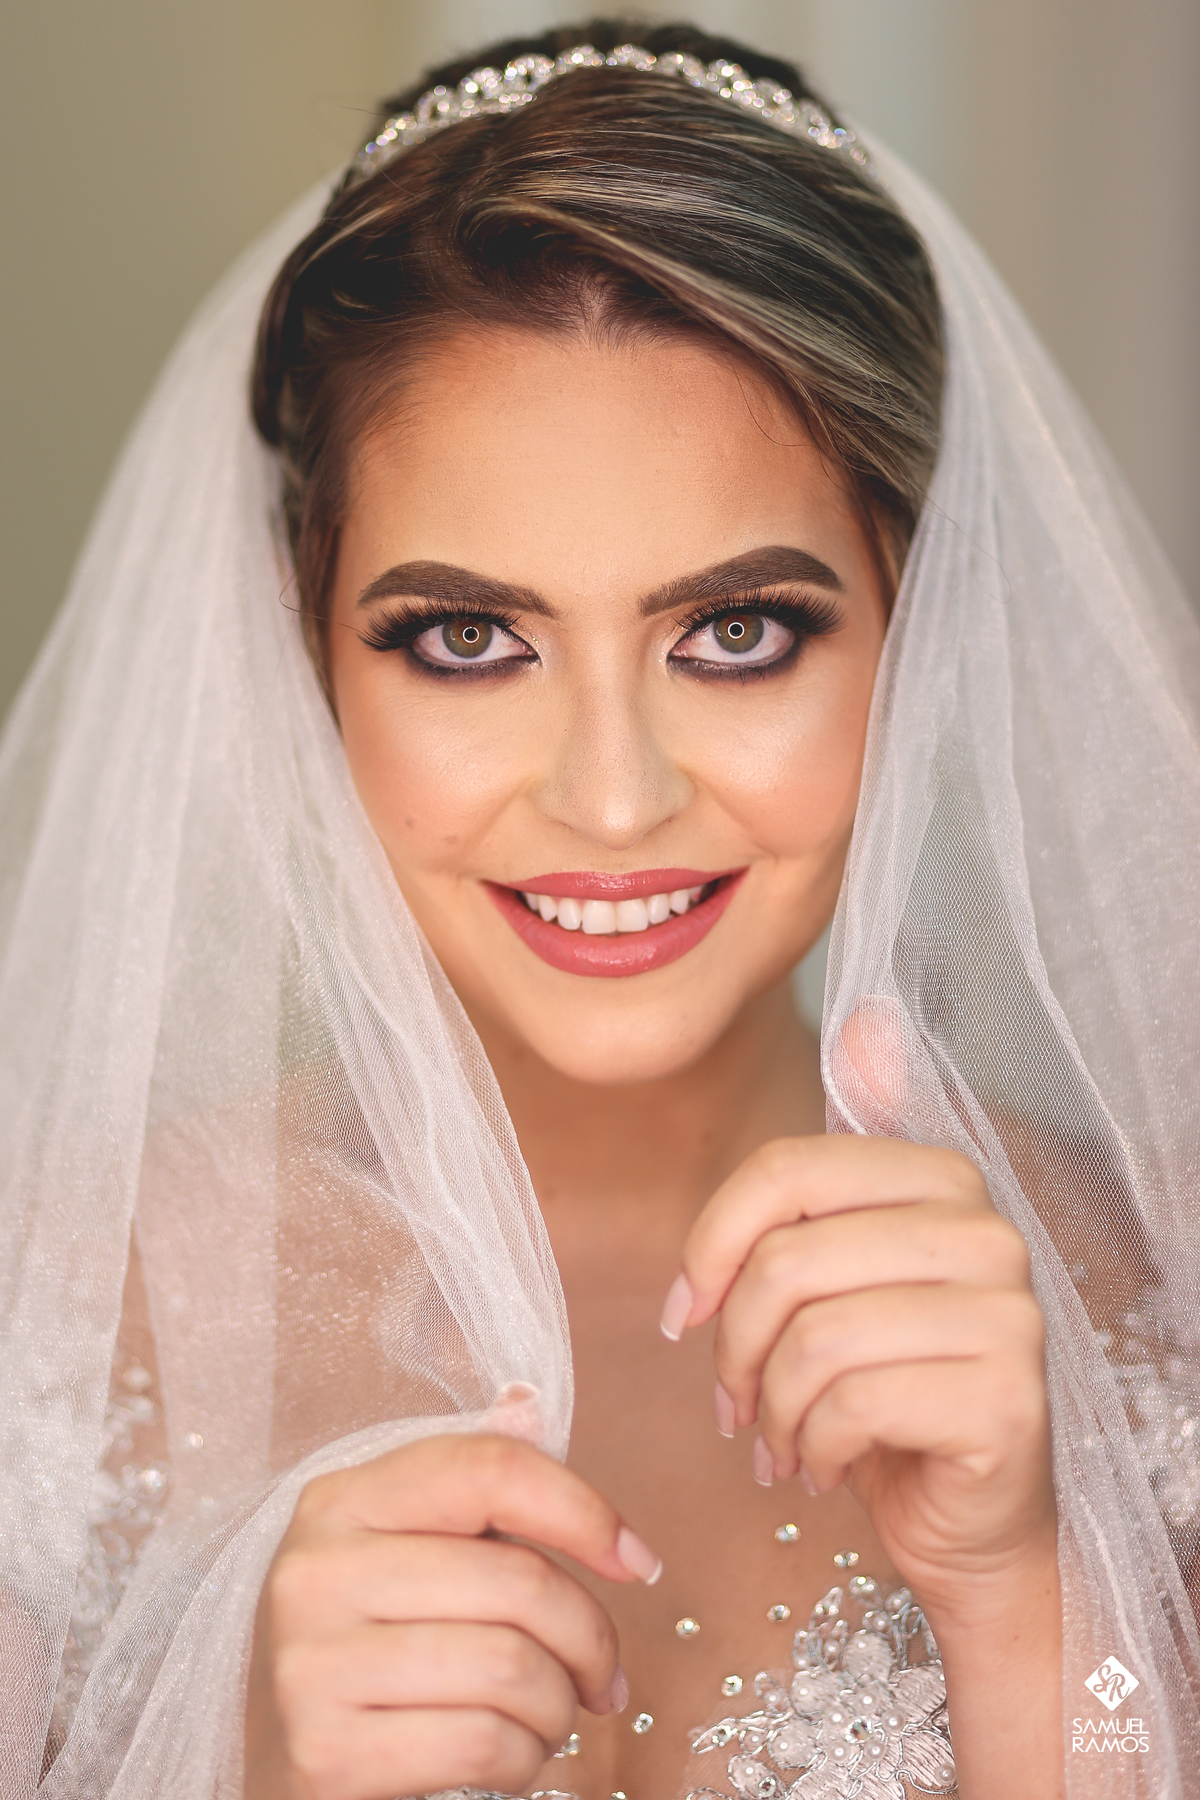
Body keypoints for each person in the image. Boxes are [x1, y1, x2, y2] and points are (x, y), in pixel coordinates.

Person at [2, 19, 1198, 1800]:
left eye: (739, 631)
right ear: (299, 647)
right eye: (466, 638)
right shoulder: (45, 1335)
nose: (615, 802)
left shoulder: (1156, 1294)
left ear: (925, 623)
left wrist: (1021, 1598)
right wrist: (234, 1759)